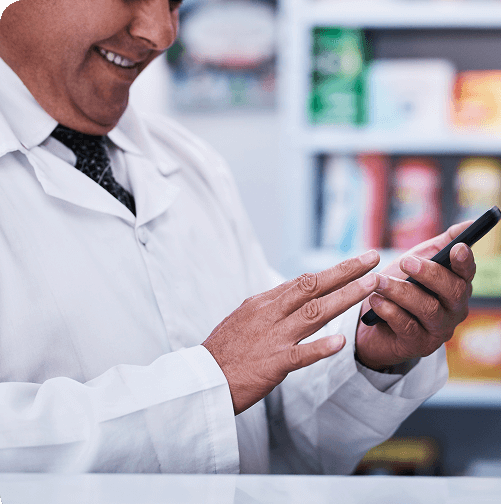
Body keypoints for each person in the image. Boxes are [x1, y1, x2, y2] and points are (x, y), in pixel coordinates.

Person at [0, 0, 476, 474]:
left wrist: (368, 353)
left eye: (173, 3)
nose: (161, 33)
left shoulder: (190, 162)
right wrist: (206, 385)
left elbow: (271, 421)